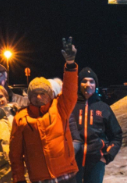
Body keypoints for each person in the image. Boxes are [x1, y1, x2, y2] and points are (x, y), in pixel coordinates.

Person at [9, 42, 80, 183]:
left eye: (42, 93)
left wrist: (70, 64)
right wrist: (19, 178)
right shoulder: (21, 118)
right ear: (29, 96)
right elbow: (15, 154)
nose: (38, 97)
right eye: (34, 94)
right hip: (40, 179)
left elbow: (70, 90)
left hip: (66, 175)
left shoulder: (60, 107)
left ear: (50, 94)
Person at [68, 68, 121, 183]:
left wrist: (106, 156)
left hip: (96, 163)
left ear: (95, 85)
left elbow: (116, 136)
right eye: (84, 81)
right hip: (72, 163)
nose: (88, 84)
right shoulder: (70, 106)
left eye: (91, 81)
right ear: (79, 84)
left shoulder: (103, 107)